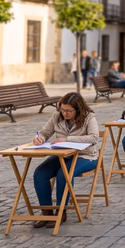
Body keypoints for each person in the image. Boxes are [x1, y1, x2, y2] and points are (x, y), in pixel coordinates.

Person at [31, 93, 99, 228]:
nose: (65, 113)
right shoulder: (57, 116)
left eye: (69, 110)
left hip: (85, 156)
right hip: (62, 155)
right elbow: (44, 132)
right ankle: (47, 212)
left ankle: (61, 212)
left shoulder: (89, 117)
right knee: (40, 173)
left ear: (78, 109)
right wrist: (39, 139)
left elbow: (94, 138)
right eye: (62, 109)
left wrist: (67, 139)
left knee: (64, 173)